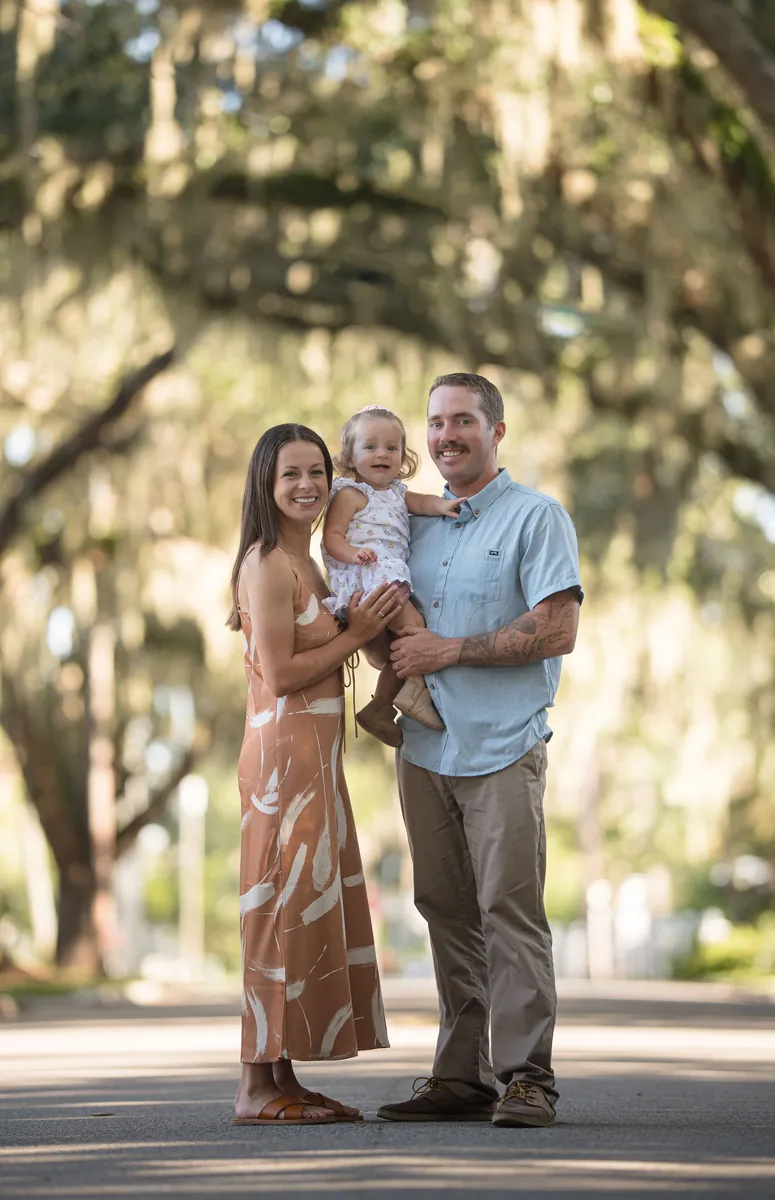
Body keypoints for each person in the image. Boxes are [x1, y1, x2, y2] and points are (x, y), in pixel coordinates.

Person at [374, 374, 583, 1129]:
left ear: (497, 430)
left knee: (509, 911)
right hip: (425, 748)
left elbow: (557, 630)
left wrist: (449, 650)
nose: (444, 436)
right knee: (444, 910)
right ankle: (460, 1077)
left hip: (501, 749)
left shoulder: (537, 518)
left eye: (462, 420)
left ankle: (528, 1078)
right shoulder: (413, 521)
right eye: (434, 423)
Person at [228, 423, 401, 1126]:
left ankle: (283, 1078)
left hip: (316, 765)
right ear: (266, 488)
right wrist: (358, 635)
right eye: (290, 475)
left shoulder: (313, 562)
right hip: (281, 768)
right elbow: (278, 673)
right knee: (274, 917)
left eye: (317, 472)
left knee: (299, 915)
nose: (307, 486)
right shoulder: (267, 563)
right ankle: (253, 1089)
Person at [321, 404, 460, 747]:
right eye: (370, 447)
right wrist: (353, 554)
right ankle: (399, 698)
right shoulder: (351, 494)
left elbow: (421, 502)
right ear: (350, 457)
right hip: (369, 579)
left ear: (402, 456)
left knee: (404, 643)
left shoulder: (397, 493)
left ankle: (388, 703)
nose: (382, 454)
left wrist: (443, 506)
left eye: (391, 447)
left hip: (388, 579)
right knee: (416, 632)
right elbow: (331, 537)